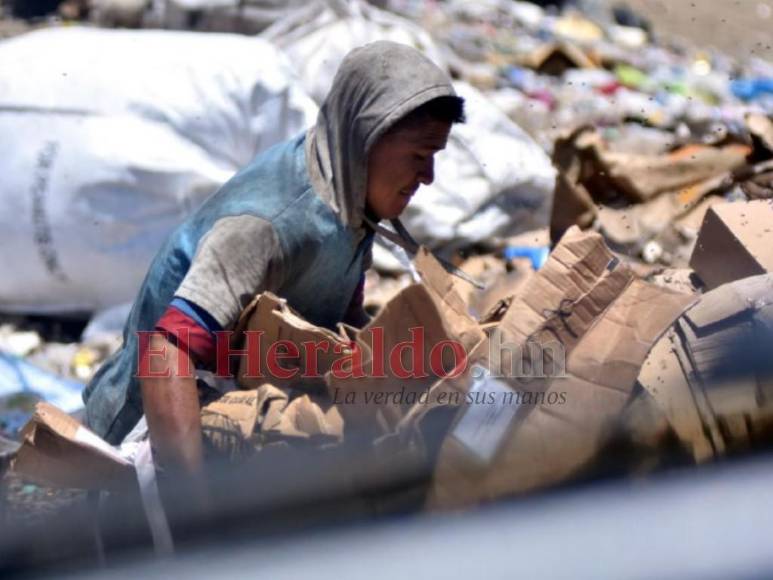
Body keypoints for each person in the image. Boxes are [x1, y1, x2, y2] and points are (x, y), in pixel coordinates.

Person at [83, 41, 465, 481]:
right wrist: (190, 508)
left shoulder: (350, 198)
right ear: (366, 137)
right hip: (144, 444)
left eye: (434, 157)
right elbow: (166, 353)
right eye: (419, 157)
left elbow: (336, 321)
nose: (429, 177)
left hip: (242, 403)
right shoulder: (270, 223)